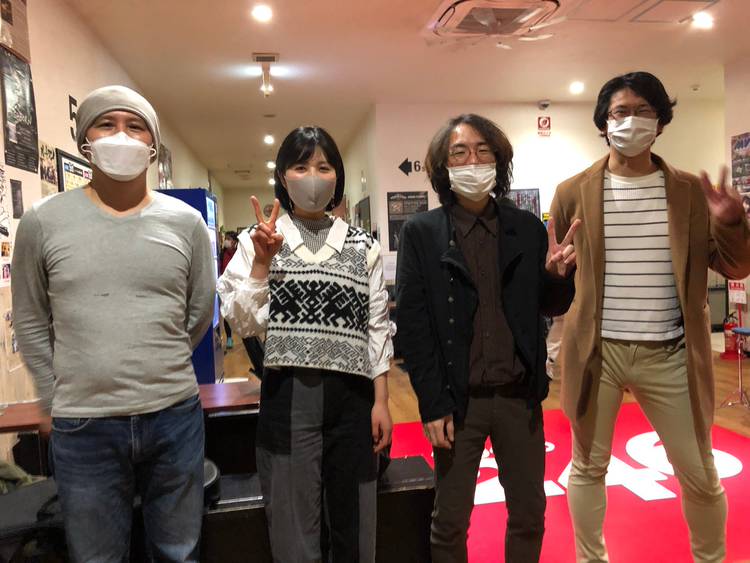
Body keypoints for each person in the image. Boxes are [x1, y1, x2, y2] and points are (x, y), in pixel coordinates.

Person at [550, 71, 750, 563]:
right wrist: (552, 272)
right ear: (603, 123)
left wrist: (731, 223)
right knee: (587, 467)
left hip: (672, 352)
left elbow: (735, 266)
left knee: (700, 473)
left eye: (643, 111)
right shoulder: (572, 192)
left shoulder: (689, 192)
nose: (631, 121)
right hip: (598, 352)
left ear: (660, 123)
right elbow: (558, 272)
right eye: (620, 112)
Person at [12, 85, 215, 562]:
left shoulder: (185, 223)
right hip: (84, 424)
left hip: (174, 415)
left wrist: (159, 358)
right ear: (85, 140)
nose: (121, 135)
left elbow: (199, 310)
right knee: (95, 557)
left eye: (135, 126)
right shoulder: (43, 222)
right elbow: (31, 318)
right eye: (107, 124)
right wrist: (52, 397)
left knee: (179, 553)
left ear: (152, 145)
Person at [395, 113, 579, 562]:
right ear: (443, 167)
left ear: (499, 161)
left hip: (519, 396)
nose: (473, 161)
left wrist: (557, 277)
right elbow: (414, 326)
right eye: (459, 153)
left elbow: (549, 306)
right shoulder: (422, 233)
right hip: (458, 403)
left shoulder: (527, 229)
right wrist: (432, 403)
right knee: (450, 520)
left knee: (530, 514)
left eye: (483, 151)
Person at [217, 126, 393, 562]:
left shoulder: (364, 246)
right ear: (283, 177)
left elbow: (376, 326)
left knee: (354, 521)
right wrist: (262, 263)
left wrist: (382, 401)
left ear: (337, 177)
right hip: (288, 397)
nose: (312, 176)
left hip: (353, 400)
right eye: (300, 166)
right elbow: (242, 321)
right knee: (293, 527)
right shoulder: (258, 240)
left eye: (323, 166)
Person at [220, 230, 239, 349]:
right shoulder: (222, 254)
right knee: (226, 313)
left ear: (234, 241)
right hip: (226, 288)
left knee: (238, 312)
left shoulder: (239, 254)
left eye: (228, 239)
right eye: (225, 239)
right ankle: (229, 338)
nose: (226, 241)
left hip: (237, 287)